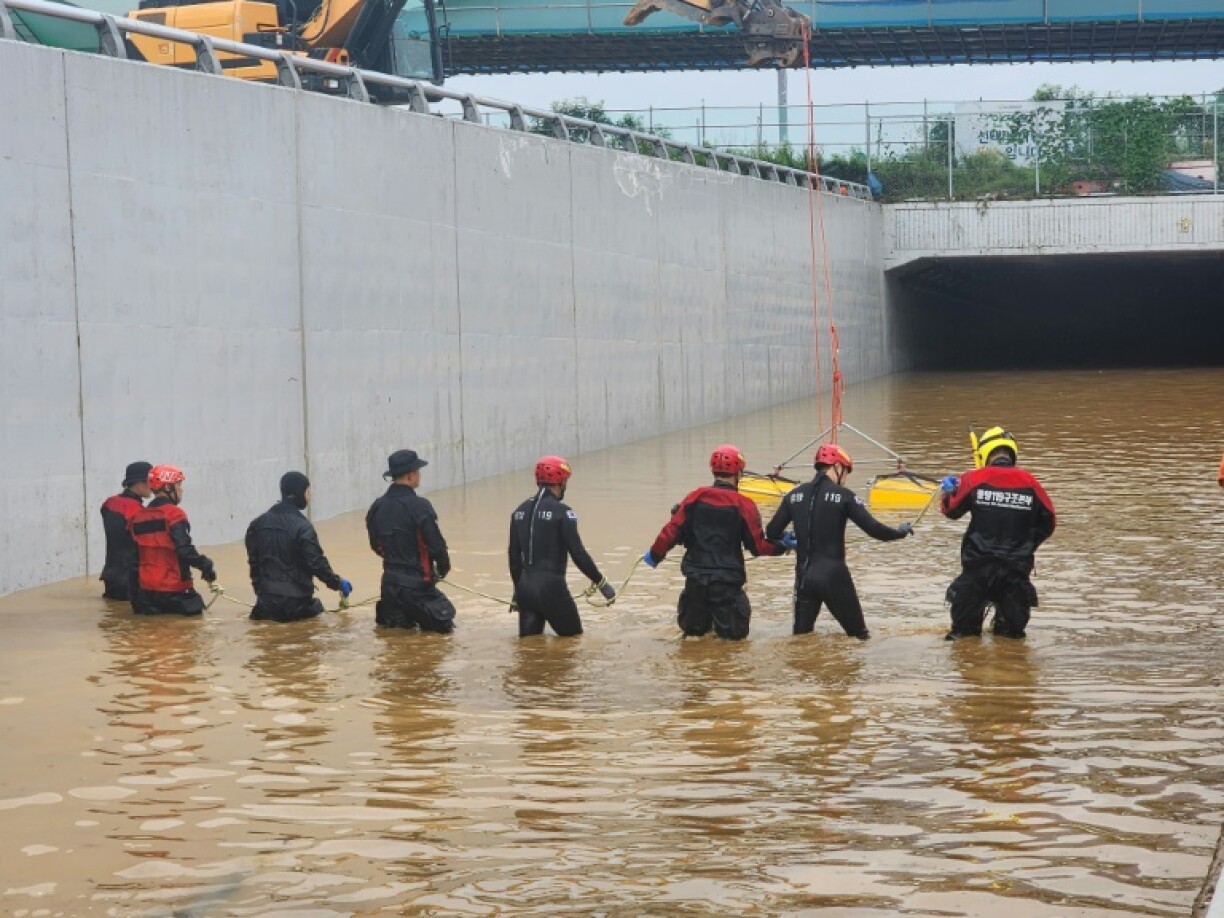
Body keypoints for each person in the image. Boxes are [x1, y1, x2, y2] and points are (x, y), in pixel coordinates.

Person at [765, 444, 912, 640]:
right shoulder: (844, 496)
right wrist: (899, 532)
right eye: (846, 471)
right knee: (860, 638)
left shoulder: (793, 495)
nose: (845, 478)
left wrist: (786, 539)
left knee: (801, 641)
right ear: (837, 466)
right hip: (834, 576)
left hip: (803, 578)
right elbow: (875, 530)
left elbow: (771, 531)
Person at [643, 444, 784, 640]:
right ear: (739, 473)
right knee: (733, 646)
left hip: (695, 585)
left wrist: (655, 555)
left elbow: (671, 531)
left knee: (693, 640)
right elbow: (758, 547)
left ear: (712, 470)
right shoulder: (744, 505)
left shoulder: (695, 497)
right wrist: (783, 546)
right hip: (726, 587)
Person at [940, 427, 1056, 641]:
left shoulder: (973, 479)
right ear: (1012, 453)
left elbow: (951, 511)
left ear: (985, 453)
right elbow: (1049, 521)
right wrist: (1027, 544)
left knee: (963, 638)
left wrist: (948, 492)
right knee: (1012, 640)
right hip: (1015, 573)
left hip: (977, 571)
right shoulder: (1030, 482)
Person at [508, 455, 616, 638]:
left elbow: (513, 558)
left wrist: (518, 591)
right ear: (561, 481)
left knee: (529, 654)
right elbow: (578, 553)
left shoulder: (518, 511)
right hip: (552, 589)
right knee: (573, 644)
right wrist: (601, 582)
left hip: (525, 590)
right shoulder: (563, 512)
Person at [365, 449, 456, 633]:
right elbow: (437, 547)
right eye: (418, 471)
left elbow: (376, 546)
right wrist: (441, 571)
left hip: (389, 587)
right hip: (417, 588)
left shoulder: (377, 507)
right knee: (444, 632)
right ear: (411, 475)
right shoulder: (420, 506)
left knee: (397, 643)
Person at [245, 471, 352, 623]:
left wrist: (263, 594)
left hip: (265, 604)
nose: (310, 495)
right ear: (302, 493)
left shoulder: (256, 524)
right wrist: (338, 583)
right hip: (297, 605)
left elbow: (254, 564)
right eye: (309, 491)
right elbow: (316, 563)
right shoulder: (303, 527)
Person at [128, 465, 217, 616]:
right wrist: (206, 566)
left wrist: (136, 598)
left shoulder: (137, 517)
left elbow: (133, 560)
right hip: (176, 591)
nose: (181, 490)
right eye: (178, 485)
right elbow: (184, 550)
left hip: (147, 593)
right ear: (168, 488)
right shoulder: (174, 514)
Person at [99, 461, 153, 601]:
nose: (153, 487)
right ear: (139, 483)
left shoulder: (109, 503)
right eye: (150, 481)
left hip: (110, 576)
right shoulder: (136, 511)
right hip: (130, 578)